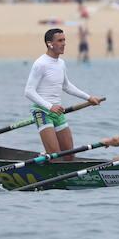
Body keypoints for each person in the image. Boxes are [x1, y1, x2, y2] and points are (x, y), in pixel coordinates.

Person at [24, 28, 105, 156]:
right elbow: (28, 91)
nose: (64, 43)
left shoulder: (61, 63)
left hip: (58, 111)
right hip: (42, 111)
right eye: (60, 41)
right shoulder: (40, 64)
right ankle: (47, 157)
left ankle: (47, 156)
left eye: (64, 40)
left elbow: (66, 86)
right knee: (55, 155)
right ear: (49, 43)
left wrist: (89, 98)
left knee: (69, 155)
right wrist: (50, 107)